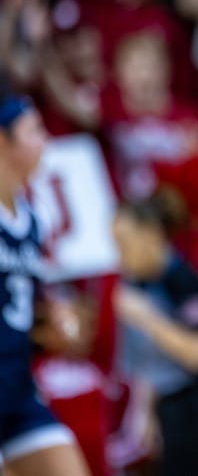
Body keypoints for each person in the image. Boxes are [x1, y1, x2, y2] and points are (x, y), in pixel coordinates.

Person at [0, 92, 90, 475]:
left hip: (18, 385)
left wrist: (54, 320)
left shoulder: (34, 220)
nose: (45, 141)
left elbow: (26, 306)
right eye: (34, 131)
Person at [112, 194, 198, 475]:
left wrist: (147, 317)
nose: (119, 254)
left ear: (151, 234)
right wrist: (144, 413)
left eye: (124, 242)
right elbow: (146, 365)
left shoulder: (183, 280)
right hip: (166, 405)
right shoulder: (135, 284)